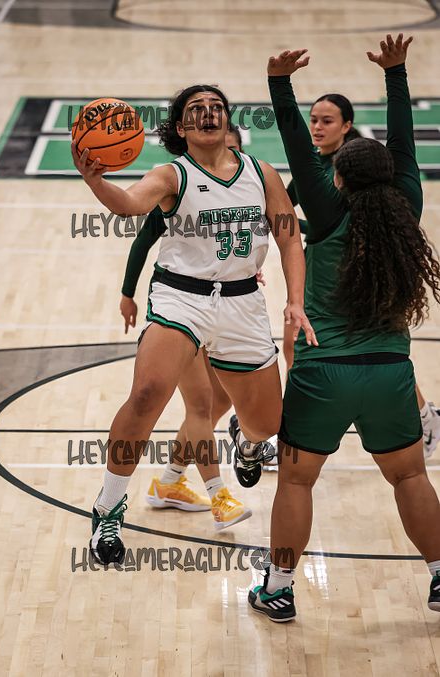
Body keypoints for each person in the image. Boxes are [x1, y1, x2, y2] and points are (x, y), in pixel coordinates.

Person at [72, 85, 316, 565]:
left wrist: (295, 301)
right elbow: (129, 204)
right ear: (181, 127)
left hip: (243, 303)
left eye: (216, 107)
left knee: (266, 424)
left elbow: (289, 239)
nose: (208, 114)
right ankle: (107, 507)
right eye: (196, 110)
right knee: (148, 394)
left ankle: (246, 444)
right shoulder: (172, 174)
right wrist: (96, 182)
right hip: (181, 297)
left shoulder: (261, 173)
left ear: (226, 120)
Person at [248, 34, 440, 622]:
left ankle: (279, 589)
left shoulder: (327, 208)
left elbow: (296, 143)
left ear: (339, 177)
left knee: (296, 484)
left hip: (322, 371)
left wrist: (279, 83)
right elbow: (405, 145)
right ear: (394, 176)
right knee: (410, 476)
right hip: (390, 373)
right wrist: (396, 74)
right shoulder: (407, 205)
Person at [283, 93, 440, 459]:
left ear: (347, 125)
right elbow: (287, 207)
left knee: (363, 343)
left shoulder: (357, 166)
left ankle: (423, 415)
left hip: (359, 273)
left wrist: (305, 229)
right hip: (332, 269)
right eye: (313, 119)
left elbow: (330, 223)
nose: (317, 127)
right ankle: (422, 415)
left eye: (327, 121)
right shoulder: (321, 165)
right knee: (363, 347)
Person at [120, 124, 252, 528]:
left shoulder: (247, 186)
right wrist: (127, 294)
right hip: (184, 307)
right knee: (201, 404)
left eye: (232, 151)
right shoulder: (181, 189)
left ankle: (170, 482)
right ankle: (219, 496)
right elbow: (143, 241)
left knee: (220, 402)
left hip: (227, 307)